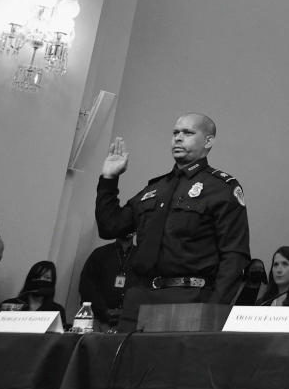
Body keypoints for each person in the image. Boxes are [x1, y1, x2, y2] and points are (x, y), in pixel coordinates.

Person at [95, 113, 251, 330]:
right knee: (127, 363)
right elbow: (110, 226)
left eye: (188, 133)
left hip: (189, 299)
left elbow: (234, 254)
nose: (178, 138)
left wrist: (215, 309)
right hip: (140, 299)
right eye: (175, 132)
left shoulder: (221, 187)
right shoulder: (155, 188)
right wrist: (109, 179)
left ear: (208, 141)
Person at [77, 233, 136, 330]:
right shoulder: (100, 253)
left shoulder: (141, 257)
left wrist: (128, 312)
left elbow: (145, 289)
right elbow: (86, 286)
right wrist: (103, 311)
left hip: (130, 323)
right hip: (99, 322)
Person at [0, 260, 69, 329]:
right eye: (37, 277)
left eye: (47, 278)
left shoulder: (56, 310)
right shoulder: (9, 304)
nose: (41, 280)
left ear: (52, 282)